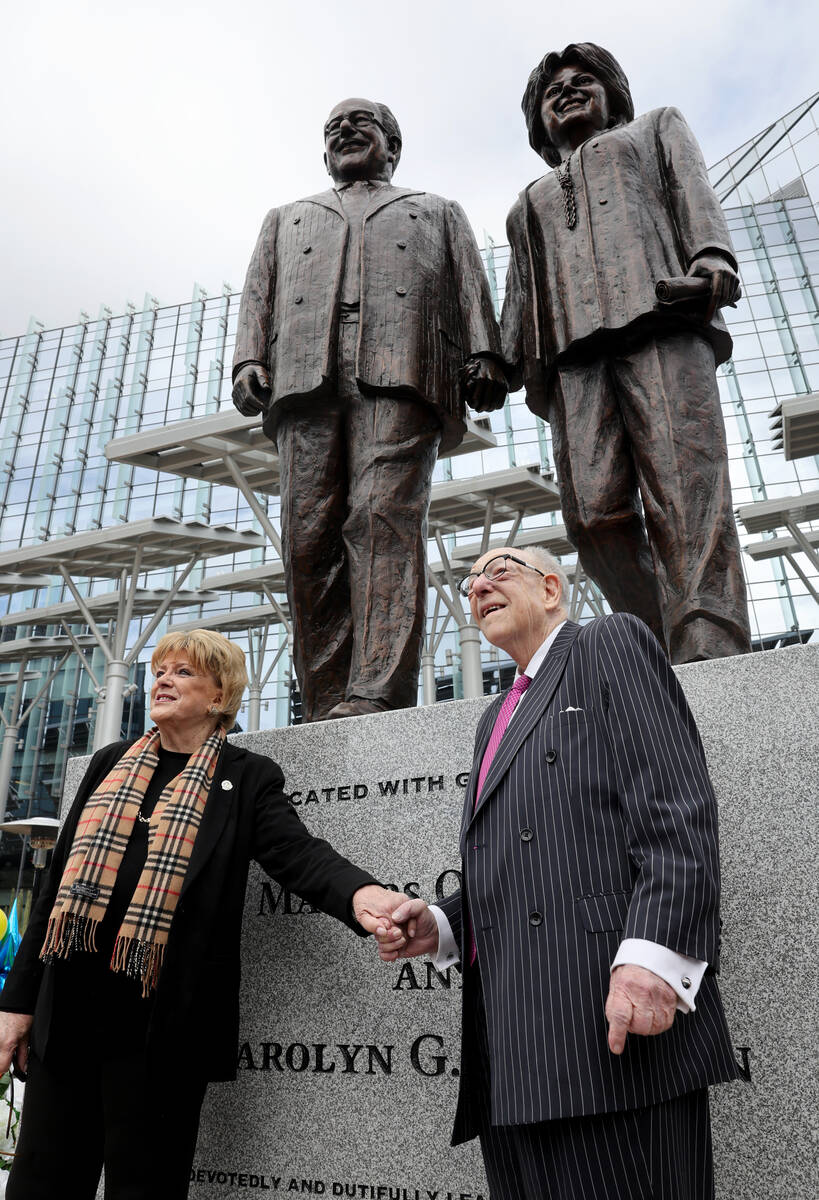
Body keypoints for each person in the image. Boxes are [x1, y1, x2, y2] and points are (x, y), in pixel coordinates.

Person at [377, 546, 741, 1198]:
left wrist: (654, 960)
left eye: (499, 569)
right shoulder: (495, 715)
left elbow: (676, 810)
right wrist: (439, 924)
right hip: (510, 1056)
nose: (477, 586)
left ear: (550, 587)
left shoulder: (609, 643)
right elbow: (534, 855)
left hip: (610, 1036)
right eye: (468, 582)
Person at [0, 629, 411, 1199]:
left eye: (184, 672)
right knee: (40, 1186)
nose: (162, 679)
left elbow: (297, 854)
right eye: (160, 669)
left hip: (159, 1033)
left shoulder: (245, 778)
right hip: (67, 1019)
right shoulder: (109, 764)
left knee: (144, 1187)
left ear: (220, 696)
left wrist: (361, 896)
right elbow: (53, 892)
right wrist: (17, 1004)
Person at [232, 98, 506, 722]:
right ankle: (327, 696)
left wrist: (486, 352)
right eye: (333, 129)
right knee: (307, 541)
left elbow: (469, 282)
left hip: (401, 370)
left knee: (383, 520)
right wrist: (248, 360)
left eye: (362, 124)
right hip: (305, 378)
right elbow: (258, 292)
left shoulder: (435, 210)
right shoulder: (287, 217)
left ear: (393, 146)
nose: (345, 132)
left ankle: (378, 691)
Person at [498, 43, 751, 664]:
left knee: (686, 491)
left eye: (584, 81)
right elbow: (518, 296)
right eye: (552, 90)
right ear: (538, 121)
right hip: (573, 359)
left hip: (661, 325)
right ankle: (656, 641)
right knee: (593, 515)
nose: (568, 91)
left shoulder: (655, 127)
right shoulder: (527, 201)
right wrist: (495, 362)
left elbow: (692, 191)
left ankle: (708, 642)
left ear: (614, 94)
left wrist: (712, 256)